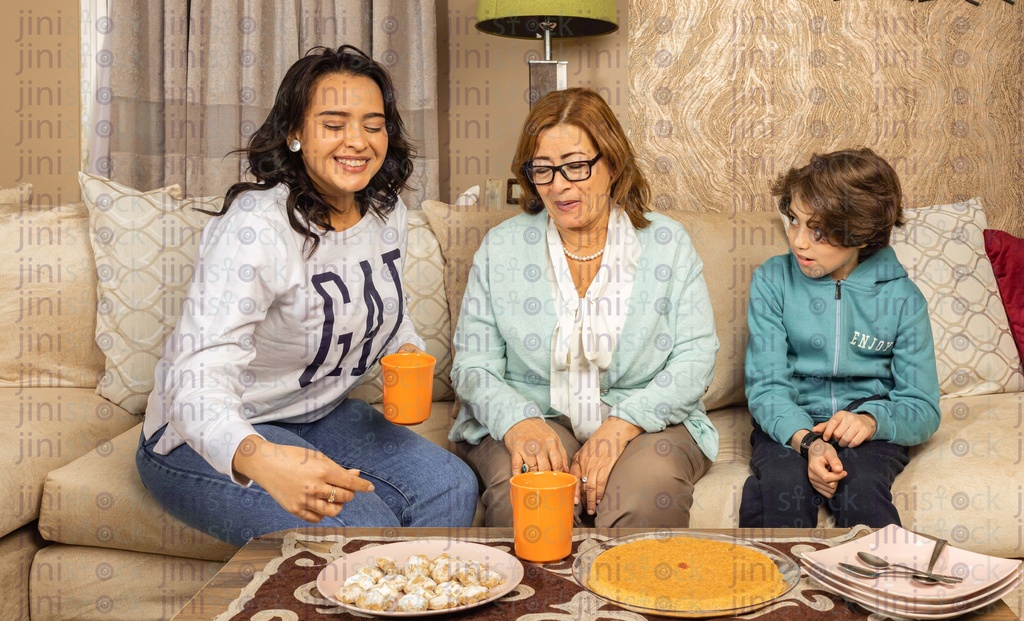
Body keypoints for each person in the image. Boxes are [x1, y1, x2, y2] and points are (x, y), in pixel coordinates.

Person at [137, 45, 478, 546]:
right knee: (356, 528)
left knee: (450, 486)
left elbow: (387, 309)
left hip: (317, 415)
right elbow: (196, 376)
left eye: (373, 124)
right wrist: (260, 458)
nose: (357, 141)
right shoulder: (255, 228)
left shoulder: (386, 213)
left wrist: (407, 350)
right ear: (295, 133)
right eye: (334, 124)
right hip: (206, 433)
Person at [450, 88, 719, 528]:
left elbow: (695, 359)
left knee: (646, 492)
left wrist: (622, 424)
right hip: (535, 415)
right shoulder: (502, 248)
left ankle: (628, 598)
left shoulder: (668, 243)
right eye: (543, 169)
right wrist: (518, 421)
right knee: (529, 494)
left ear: (612, 162)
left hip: (647, 421)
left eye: (576, 165)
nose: (559, 185)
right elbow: (473, 366)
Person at [739, 147, 941, 529]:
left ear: (861, 233)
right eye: (794, 221)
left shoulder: (903, 299)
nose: (798, 241)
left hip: (868, 425)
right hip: (789, 422)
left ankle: (883, 586)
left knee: (862, 488)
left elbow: (923, 407)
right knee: (782, 489)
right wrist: (806, 441)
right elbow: (766, 387)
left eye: (818, 232)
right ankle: (767, 586)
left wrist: (871, 420)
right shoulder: (772, 280)